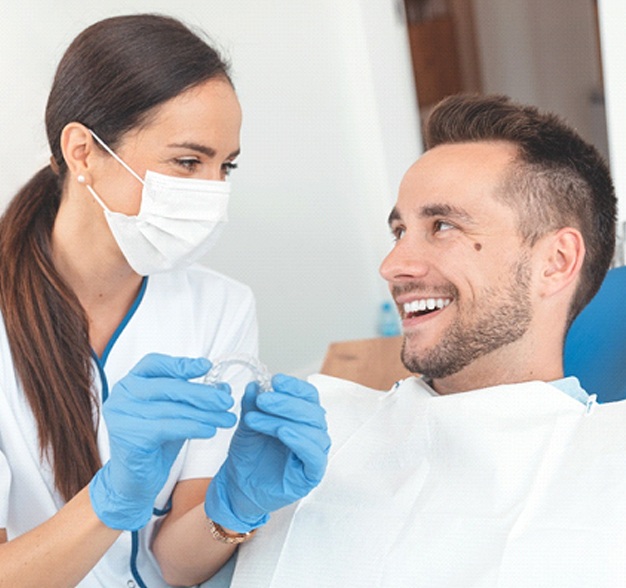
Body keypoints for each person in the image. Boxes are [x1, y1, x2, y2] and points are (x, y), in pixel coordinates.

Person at [228, 94, 626, 587]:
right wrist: (225, 516)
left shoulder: (608, 467)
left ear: (556, 261)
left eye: (443, 226)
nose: (392, 267)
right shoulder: (321, 433)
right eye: (399, 231)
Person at [0, 14, 328, 587]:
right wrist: (110, 497)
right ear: (82, 151)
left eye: (225, 166)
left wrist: (232, 508)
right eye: (186, 162)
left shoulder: (219, 306)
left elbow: (174, 567)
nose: (212, 192)